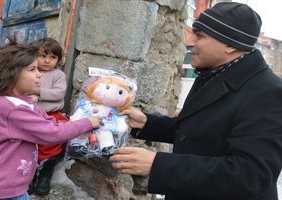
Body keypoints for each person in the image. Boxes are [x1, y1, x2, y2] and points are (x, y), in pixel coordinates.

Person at [110, 2, 282, 200]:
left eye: (199, 36)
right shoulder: (214, 72)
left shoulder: (268, 93)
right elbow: (202, 132)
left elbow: (250, 176)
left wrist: (158, 164)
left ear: (230, 45)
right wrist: (147, 124)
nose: (188, 41)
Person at [0, 39, 102, 200]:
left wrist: (76, 127)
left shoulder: (21, 101)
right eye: (32, 69)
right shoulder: (11, 108)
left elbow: (49, 122)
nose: (39, 74)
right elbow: (52, 132)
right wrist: (87, 122)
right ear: (10, 74)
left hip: (11, 187)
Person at [27, 38, 68, 196]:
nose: (47, 61)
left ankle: (45, 173)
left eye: (52, 57)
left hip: (51, 115)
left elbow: (58, 93)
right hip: (31, 114)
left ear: (58, 60)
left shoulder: (58, 75)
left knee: (50, 143)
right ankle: (29, 175)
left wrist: (38, 92)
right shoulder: (29, 71)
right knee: (30, 143)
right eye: (43, 56)